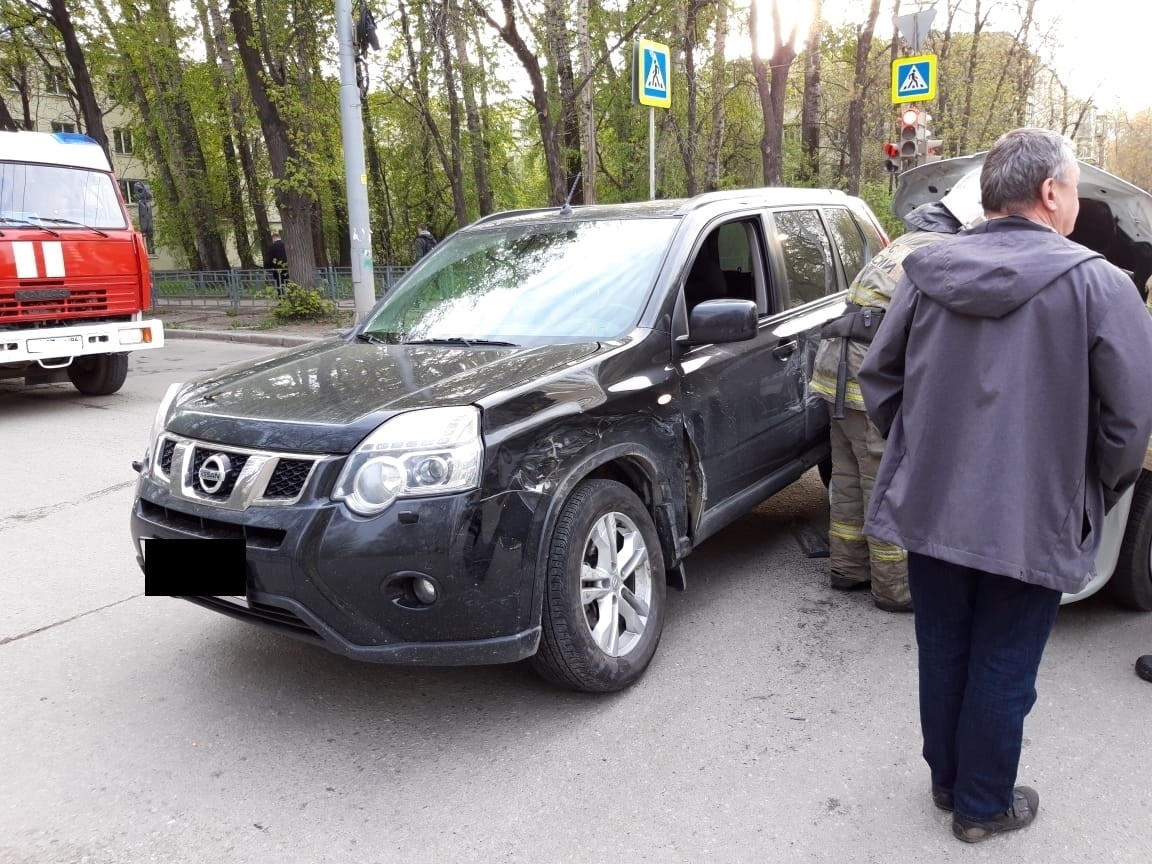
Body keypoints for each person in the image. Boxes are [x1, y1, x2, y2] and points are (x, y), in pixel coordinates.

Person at [858, 128, 1152, 843]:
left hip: (931, 503)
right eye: (1076, 188)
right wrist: (1094, 488)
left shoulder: (924, 272)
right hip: (1036, 509)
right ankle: (982, 805)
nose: (1077, 201)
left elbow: (881, 381)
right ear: (1051, 193)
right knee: (1004, 657)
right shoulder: (1102, 286)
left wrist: (927, 453)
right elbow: (1130, 422)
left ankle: (949, 783)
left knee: (945, 647)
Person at [809, 174, 981, 612]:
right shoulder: (943, 255)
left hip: (836, 372)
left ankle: (848, 570)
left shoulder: (908, 243)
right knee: (884, 486)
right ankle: (893, 589)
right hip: (867, 379)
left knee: (848, 477)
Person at [133, 181, 154, 254]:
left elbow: (147, 218)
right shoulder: (143, 204)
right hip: (145, 228)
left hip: (146, 227)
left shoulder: (146, 204)